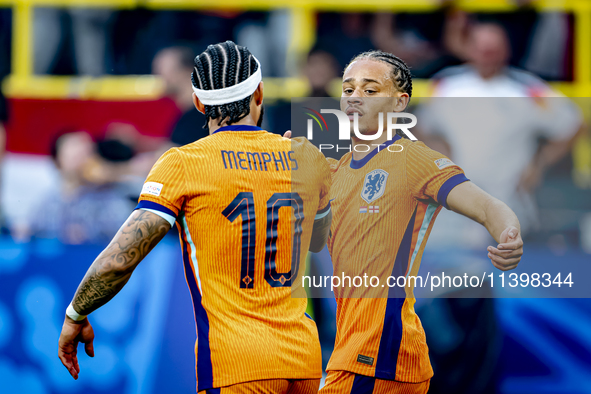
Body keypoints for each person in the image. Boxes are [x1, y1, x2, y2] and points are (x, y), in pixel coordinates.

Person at [58, 41, 332, 394]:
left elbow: (118, 261)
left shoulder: (184, 163)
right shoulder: (307, 157)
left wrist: (75, 314)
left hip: (236, 364)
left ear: (199, 102)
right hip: (304, 360)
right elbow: (318, 240)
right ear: (259, 93)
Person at [307, 50, 523, 393]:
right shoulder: (336, 169)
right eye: (348, 90)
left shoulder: (412, 159)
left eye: (370, 89)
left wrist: (508, 235)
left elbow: (486, 206)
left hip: (381, 351)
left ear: (398, 103)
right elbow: (315, 241)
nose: (355, 98)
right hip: (355, 352)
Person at [417, 22, 582, 247]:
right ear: (468, 48)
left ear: (506, 51)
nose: (487, 55)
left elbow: (573, 124)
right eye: (481, 48)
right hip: (453, 204)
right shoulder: (445, 85)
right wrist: (437, 149)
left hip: (508, 201)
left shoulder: (527, 90)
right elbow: (420, 126)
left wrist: (539, 163)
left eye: (493, 49)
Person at [152, 46, 209, 146]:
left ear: (187, 70)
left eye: (161, 70)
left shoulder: (203, 115)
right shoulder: (187, 114)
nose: (156, 76)